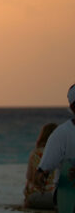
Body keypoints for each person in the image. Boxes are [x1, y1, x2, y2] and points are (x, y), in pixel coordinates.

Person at [36, 83, 75, 213]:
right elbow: (42, 171)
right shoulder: (61, 134)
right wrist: (43, 176)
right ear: (73, 106)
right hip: (69, 195)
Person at [25, 123, 57, 209]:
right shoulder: (62, 153)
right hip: (58, 196)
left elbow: (29, 176)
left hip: (39, 196)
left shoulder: (35, 153)